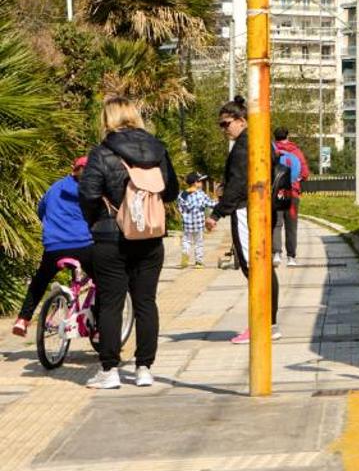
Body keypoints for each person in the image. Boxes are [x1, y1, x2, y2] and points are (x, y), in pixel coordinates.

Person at [76, 98, 179, 390]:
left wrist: (96, 221)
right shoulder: (157, 149)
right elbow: (171, 192)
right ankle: (144, 368)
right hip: (150, 237)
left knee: (111, 303)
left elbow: (89, 193)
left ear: (108, 119)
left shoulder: (101, 152)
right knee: (146, 302)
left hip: (110, 237)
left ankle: (110, 371)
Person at [211, 99, 280, 344]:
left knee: (252, 267)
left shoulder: (244, 145)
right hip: (260, 208)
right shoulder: (261, 138)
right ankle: (268, 322)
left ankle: (261, 324)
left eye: (226, 124)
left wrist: (217, 213)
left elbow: (239, 183)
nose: (223, 129)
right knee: (262, 267)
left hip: (245, 211)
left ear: (241, 121)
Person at [10, 158, 94, 338]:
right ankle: (100, 330)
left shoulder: (55, 188)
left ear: (73, 169)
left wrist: (56, 230)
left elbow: (42, 211)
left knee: (39, 282)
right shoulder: (91, 190)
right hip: (83, 245)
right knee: (107, 281)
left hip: (54, 246)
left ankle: (23, 320)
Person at [272, 127, 308, 267]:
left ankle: (276, 254)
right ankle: (291, 257)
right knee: (291, 226)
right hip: (292, 192)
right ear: (288, 136)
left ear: (275, 137)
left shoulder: (272, 150)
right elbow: (305, 173)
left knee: (277, 223)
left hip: (277, 193)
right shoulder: (296, 151)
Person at [177, 172, 214, 269]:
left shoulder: (182, 195)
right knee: (199, 242)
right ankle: (198, 261)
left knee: (186, 241)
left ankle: (185, 256)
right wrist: (220, 204)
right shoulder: (200, 194)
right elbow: (210, 203)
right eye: (200, 181)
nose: (201, 183)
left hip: (187, 224)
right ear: (195, 183)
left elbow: (180, 207)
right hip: (199, 224)